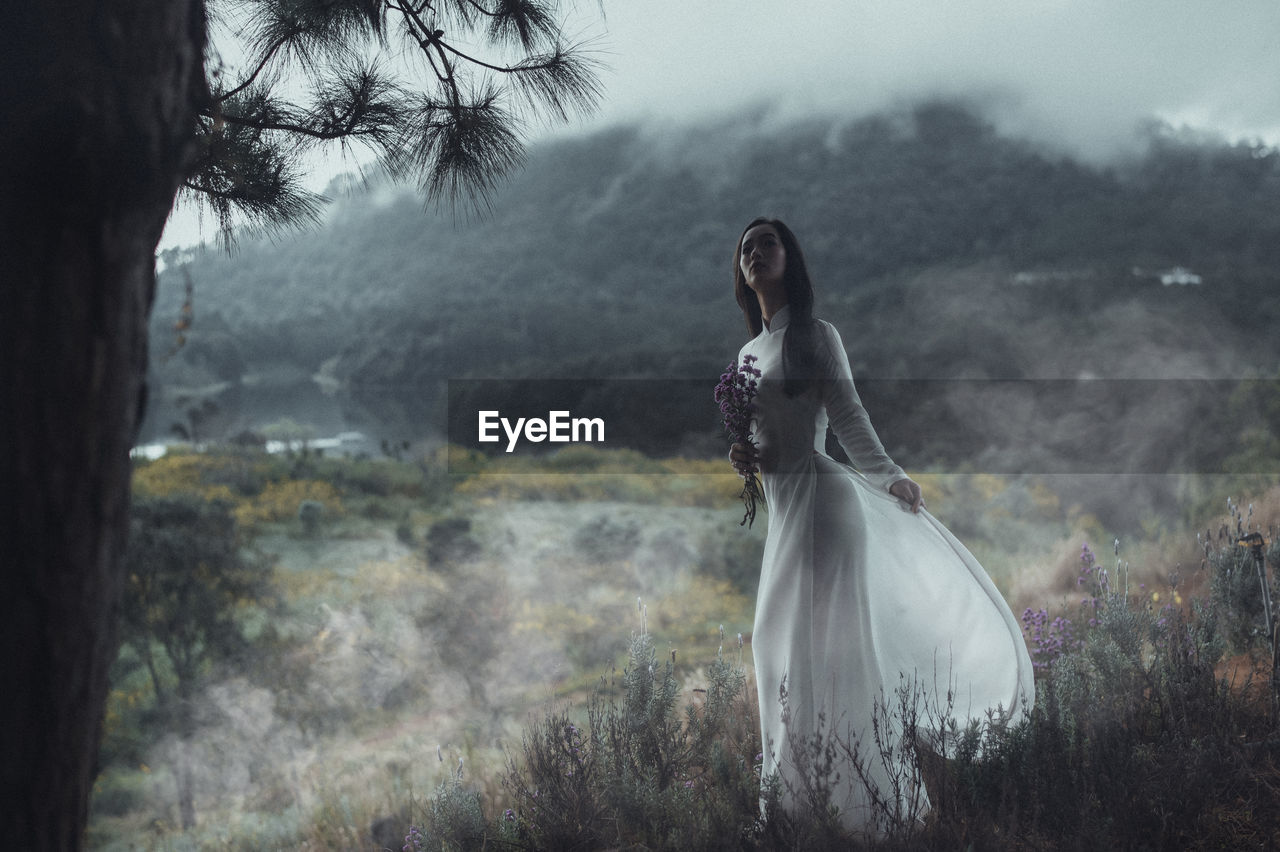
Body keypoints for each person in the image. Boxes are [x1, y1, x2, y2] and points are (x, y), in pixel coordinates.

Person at [728, 217, 1034, 835]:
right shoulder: (746, 354)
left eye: (768, 242)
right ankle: (808, 803)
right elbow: (765, 441)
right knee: (777, 647)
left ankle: (862, 808)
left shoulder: (816, 335)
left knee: (827, 656)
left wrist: (891, 475)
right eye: (745, 248)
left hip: (823, 504)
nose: (755, 252)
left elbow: (846, 414)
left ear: (790, 257)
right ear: (740, 273)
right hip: (787, 511)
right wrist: (745, 457)